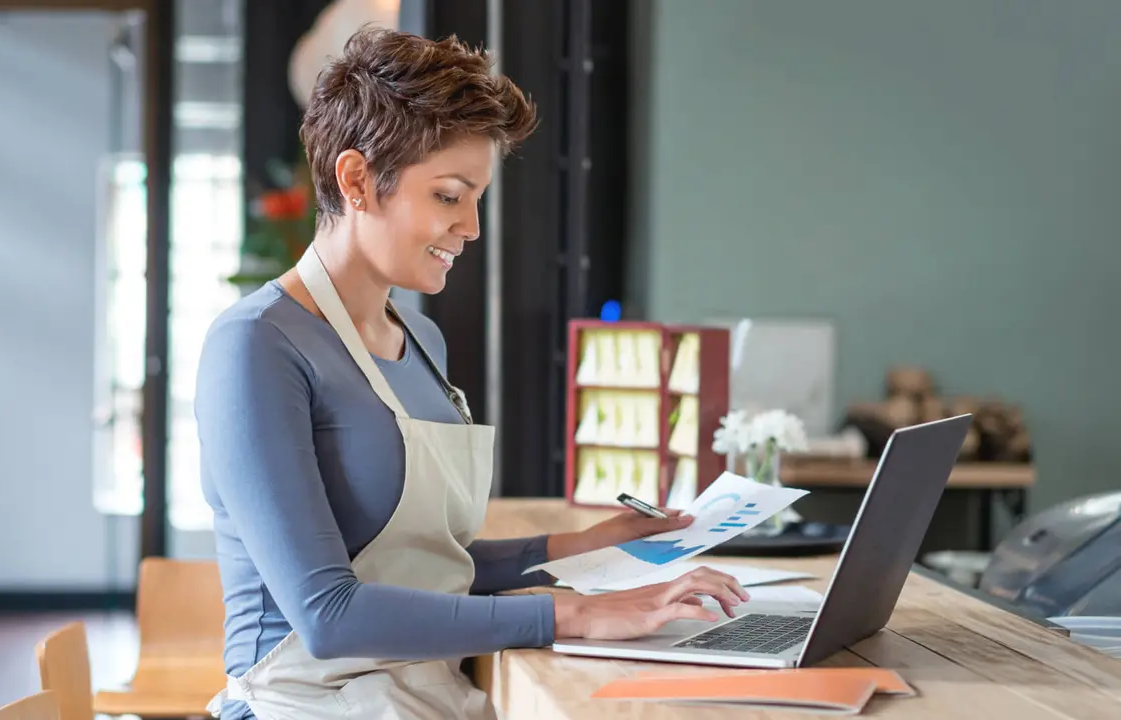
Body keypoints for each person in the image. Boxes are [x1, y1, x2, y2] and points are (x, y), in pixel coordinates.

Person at [195, 26, 749, 720]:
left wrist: (583, 547)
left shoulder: (420, 339)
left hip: (420, 695)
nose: (472, 228)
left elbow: (424, 567)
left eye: (477, 197)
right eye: (451, 196)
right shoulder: (256, 346)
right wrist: (574, 614)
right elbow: (328, 613)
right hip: (301, 705)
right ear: (357, 180)